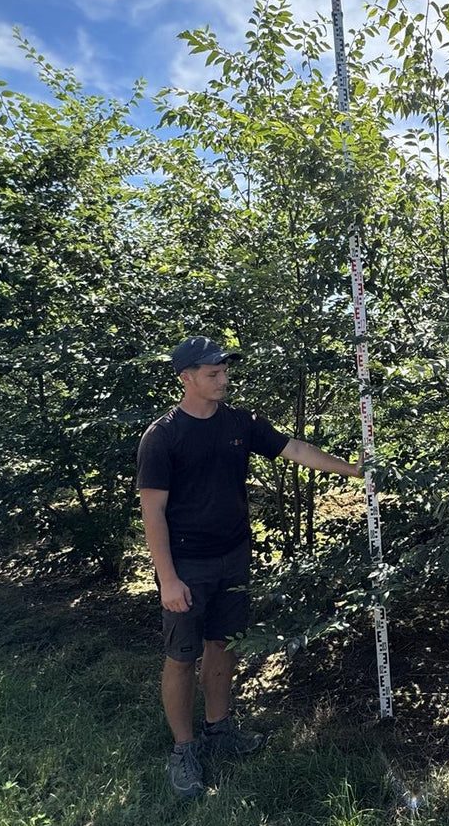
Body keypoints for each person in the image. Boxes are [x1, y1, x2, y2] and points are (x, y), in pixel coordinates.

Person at [137, 336, 363, 799]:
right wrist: (169, 579)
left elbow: (296, 450)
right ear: (187, 378)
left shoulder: (240, 423)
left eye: (225, 371)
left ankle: (220, 729)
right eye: (213, 373)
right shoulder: (163, 436)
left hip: (234, 557)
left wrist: (355, 471)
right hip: (187, 563)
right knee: (182, 656)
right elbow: (152, 512)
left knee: (224, 645)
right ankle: (184, 749)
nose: (223, 379)